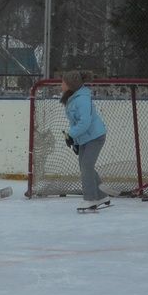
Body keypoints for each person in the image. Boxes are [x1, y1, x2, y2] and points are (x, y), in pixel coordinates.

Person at [60, 70, 109, 211]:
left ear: (71, 84)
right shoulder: (73, 97)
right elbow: (76, 123)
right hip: (85, 138)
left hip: (95, 137)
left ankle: (90, 199)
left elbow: (84, 122)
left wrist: (70, 135)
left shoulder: (81, 99)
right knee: (85, 166)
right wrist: (74, 140)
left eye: (63, 82)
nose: (61, 84)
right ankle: (101, 195)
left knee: (86, 166)